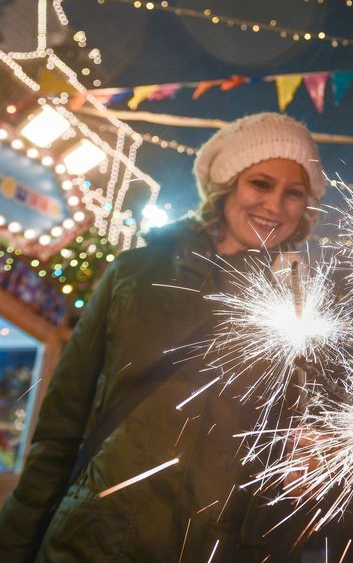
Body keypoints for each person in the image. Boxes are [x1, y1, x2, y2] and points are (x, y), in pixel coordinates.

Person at [0, 112, 328, 562]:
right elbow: (60, 427)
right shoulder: (135, 274)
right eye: (260, 183)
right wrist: (15, 545)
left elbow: (285, 452)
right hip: (93, 543)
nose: (275, 206)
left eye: (294, 193)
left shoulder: (300, 312)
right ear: (227, 186)